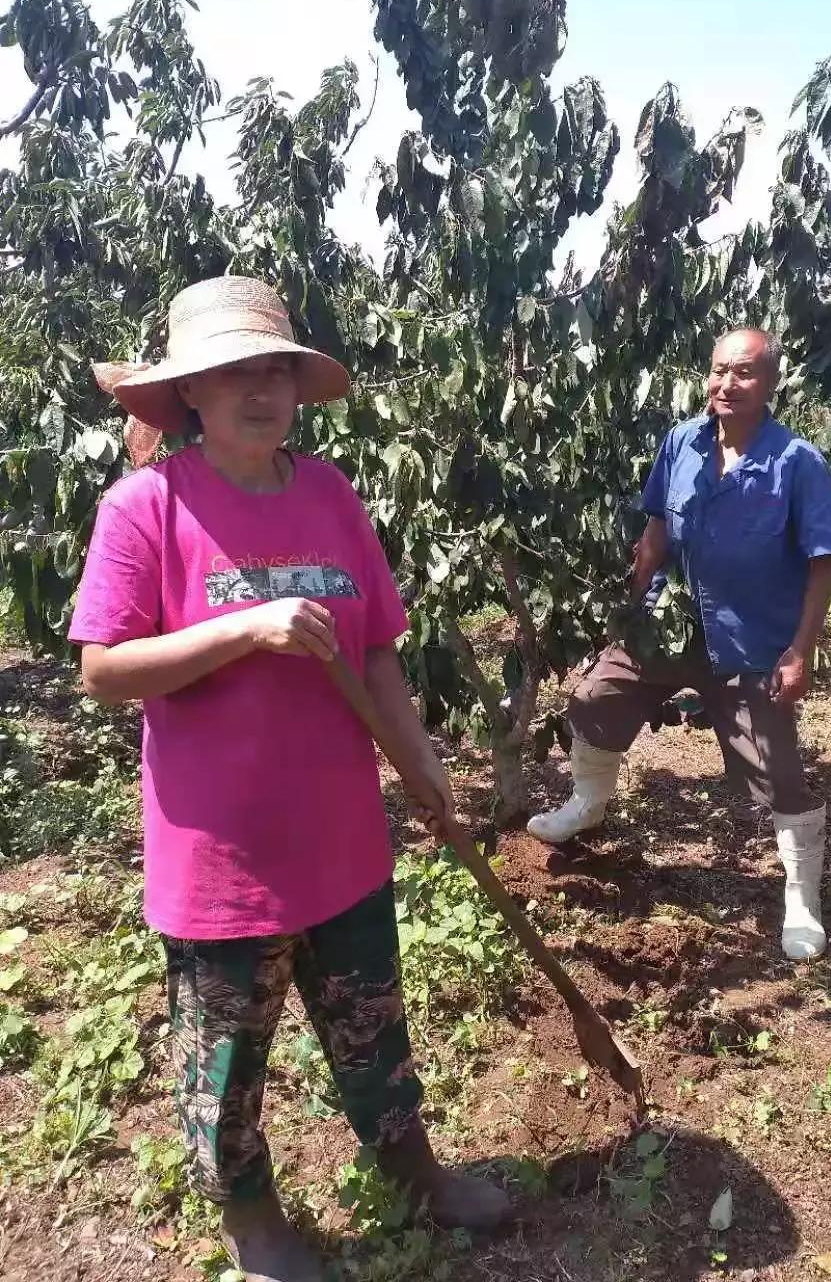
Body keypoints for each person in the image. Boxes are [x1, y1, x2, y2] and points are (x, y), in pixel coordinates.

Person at [70, 277, 508, 1282]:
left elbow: (380, 657)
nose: (259, 390)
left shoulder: (330, 495)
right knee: (226, 1063)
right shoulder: (148, 507)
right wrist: (241, 629)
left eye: (275, 370)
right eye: (234, 373)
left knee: (372, 1023)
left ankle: (414, 1174)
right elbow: (103, 671)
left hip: (342, 838)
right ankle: (254, 1223)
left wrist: (424, 774)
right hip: (222, 859)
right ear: (190, 393)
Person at [527, 328, 831, 962]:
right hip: (670, 623)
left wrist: (800, 649)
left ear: (772, 383)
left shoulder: (797, 463)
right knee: (596, 699)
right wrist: (630, 606)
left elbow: (820, 561)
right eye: (720, 370)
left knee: (774, 770)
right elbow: (656, 530)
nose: (728, 384)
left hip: (751, 639)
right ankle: (588, 803)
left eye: (745, 373)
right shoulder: (682, 443)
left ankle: (801, 896)